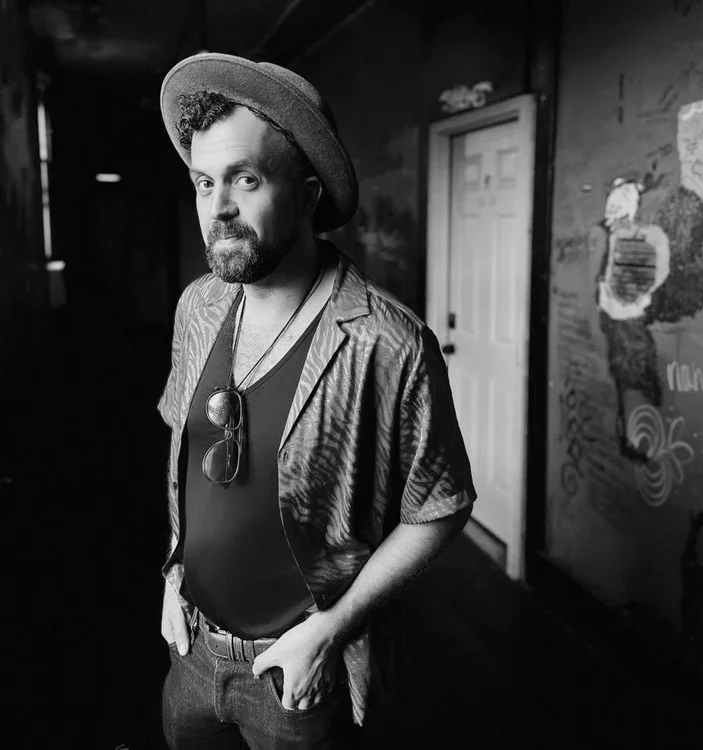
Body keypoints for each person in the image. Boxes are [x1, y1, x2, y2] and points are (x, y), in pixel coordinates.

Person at [157, 52, 476, 750]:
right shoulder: (197, 307)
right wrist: (173, 573)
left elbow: (440, 506)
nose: (219, 208)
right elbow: (183, 451)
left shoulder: (388, 342)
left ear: (306, 195)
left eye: (245, 179)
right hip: (190, 649)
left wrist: (332, 631)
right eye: (204, 183)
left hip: (298, 674)